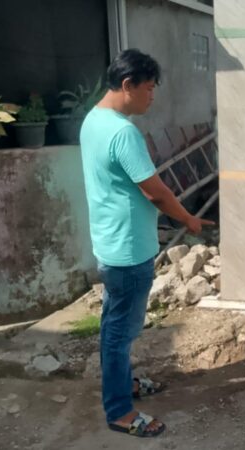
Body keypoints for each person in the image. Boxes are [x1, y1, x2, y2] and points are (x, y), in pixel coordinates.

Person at [80, 48, 213, 438]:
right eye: (149, 88)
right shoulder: (123, 132)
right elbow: (155, 192)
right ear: (128, 85)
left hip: (110, 240)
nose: (152, 96)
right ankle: (120, 410)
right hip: (129, 248)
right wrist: (188, 218)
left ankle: (125, 384)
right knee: (121, 331)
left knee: (114, 324)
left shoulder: (94, 120)